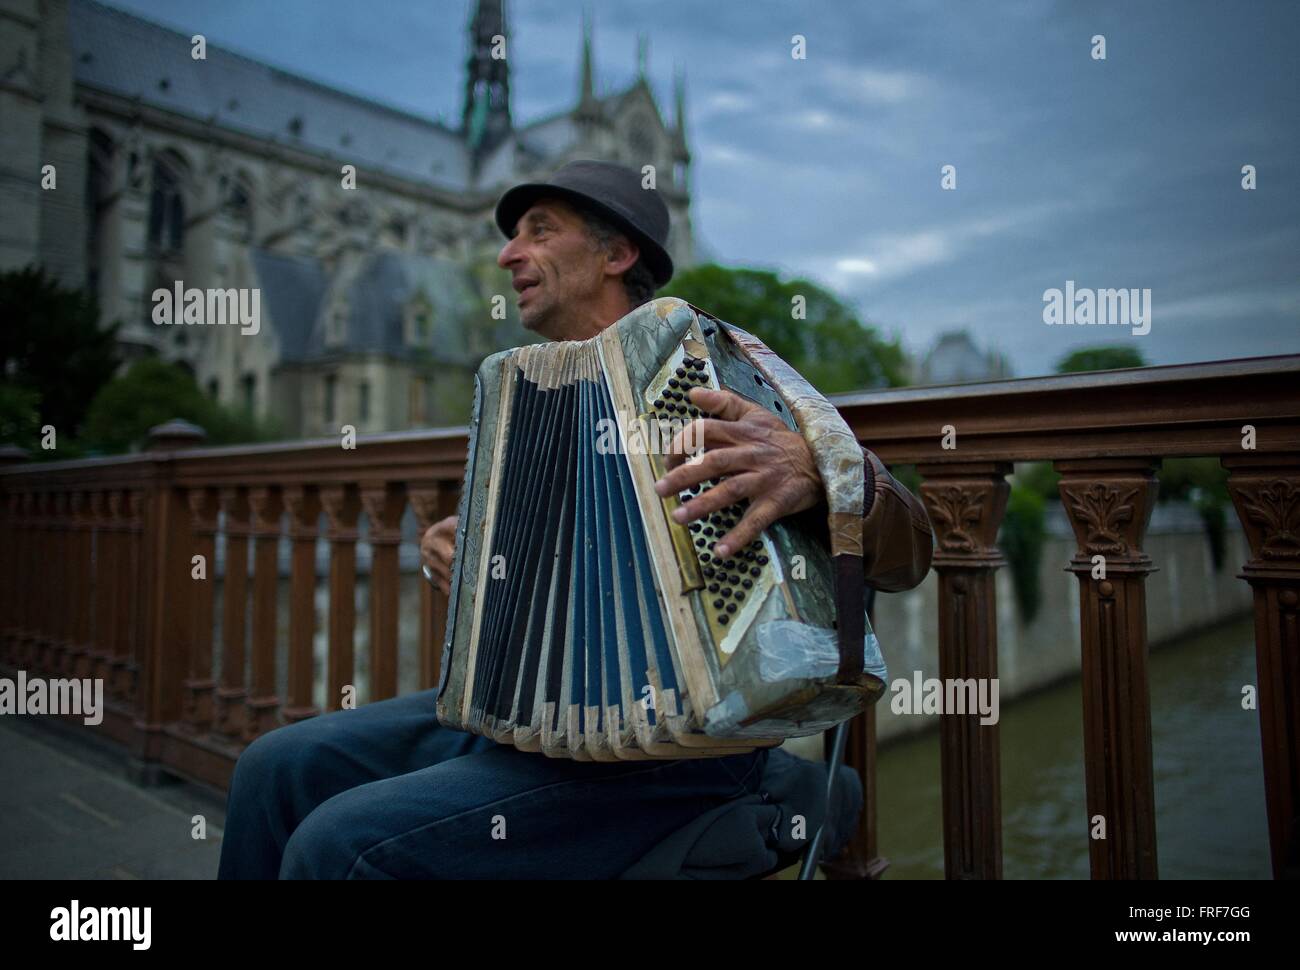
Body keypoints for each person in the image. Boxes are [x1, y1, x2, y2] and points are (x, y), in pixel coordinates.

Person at [217, 160, 934, 879]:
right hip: (535, 725)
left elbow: (910, 549)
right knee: (273, 766)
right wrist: (468, 558)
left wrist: (817, 474)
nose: (506, 254)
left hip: (687, 754)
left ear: (616, 254)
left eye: (539, 231)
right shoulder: (531, 389)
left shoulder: (726, 368)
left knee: (340, 845)